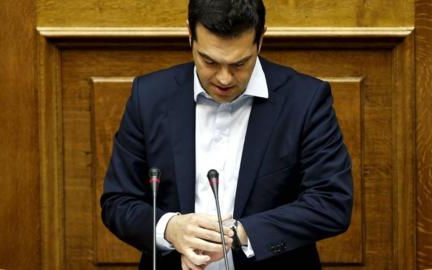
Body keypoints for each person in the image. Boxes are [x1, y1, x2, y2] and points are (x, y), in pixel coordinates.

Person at [100, 0, 353, 269]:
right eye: (209, 61)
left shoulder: (305, 100)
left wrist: (240, 234)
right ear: (190, 36)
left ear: (261, 39)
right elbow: (118, 201)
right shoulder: (149, 96)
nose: (224, 78)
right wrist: (169, 229)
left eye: (240, 63)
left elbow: (331, 202)